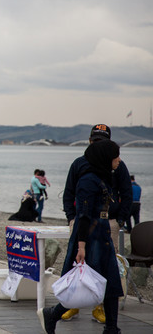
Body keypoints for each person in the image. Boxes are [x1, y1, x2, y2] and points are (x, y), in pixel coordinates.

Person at [38, 140, 123, 334]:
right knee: (82, 283)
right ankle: (53, 313)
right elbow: (83, 215)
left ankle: (111, 328)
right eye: (115, 156)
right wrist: (81, 246)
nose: (118, 160)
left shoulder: (104, 177)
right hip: (89, 236)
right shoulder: (88, 180)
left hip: (102, 233)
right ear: (104, 158)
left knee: (111, 281)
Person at [61, 124, 132, 324]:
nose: (96, 144)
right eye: (95, 140)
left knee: (106, 266)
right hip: (82, 220)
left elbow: (126, 193)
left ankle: (100, 307)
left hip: (108, 221)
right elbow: (69, 192)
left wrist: (119, 219)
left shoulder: (117, 165)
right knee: (76, 263)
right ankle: (72, 303)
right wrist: (71, 217)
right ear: (90, 141)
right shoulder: (79, 165)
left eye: (102, 141)